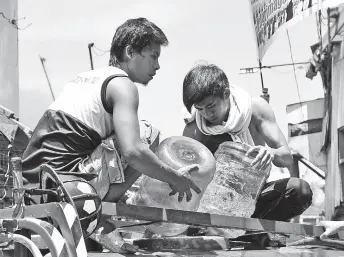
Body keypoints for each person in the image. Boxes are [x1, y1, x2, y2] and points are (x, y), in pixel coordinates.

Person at [21, 17, 201, 252]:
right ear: (129, 51)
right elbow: (133, 151)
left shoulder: (87, 79)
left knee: (127, 133)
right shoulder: (123, 85)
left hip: (32, 187)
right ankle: (101, 213)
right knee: (148, 135)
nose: (157, 66)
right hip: (64, 188)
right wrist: (174, 178)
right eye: (153, 56)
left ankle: (104, 202)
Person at [182, 64, 313, 244]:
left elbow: (286, 157)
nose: (206, 114)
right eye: (200, 108)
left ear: (226, 94)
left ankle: (253, 233)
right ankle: (234, 234)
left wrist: (270, 153)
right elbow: (188, 179)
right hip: (214, 206)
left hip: (253, 198)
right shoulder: (193, 129)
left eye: (211, 105)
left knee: (300, 191)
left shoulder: (256, 110)